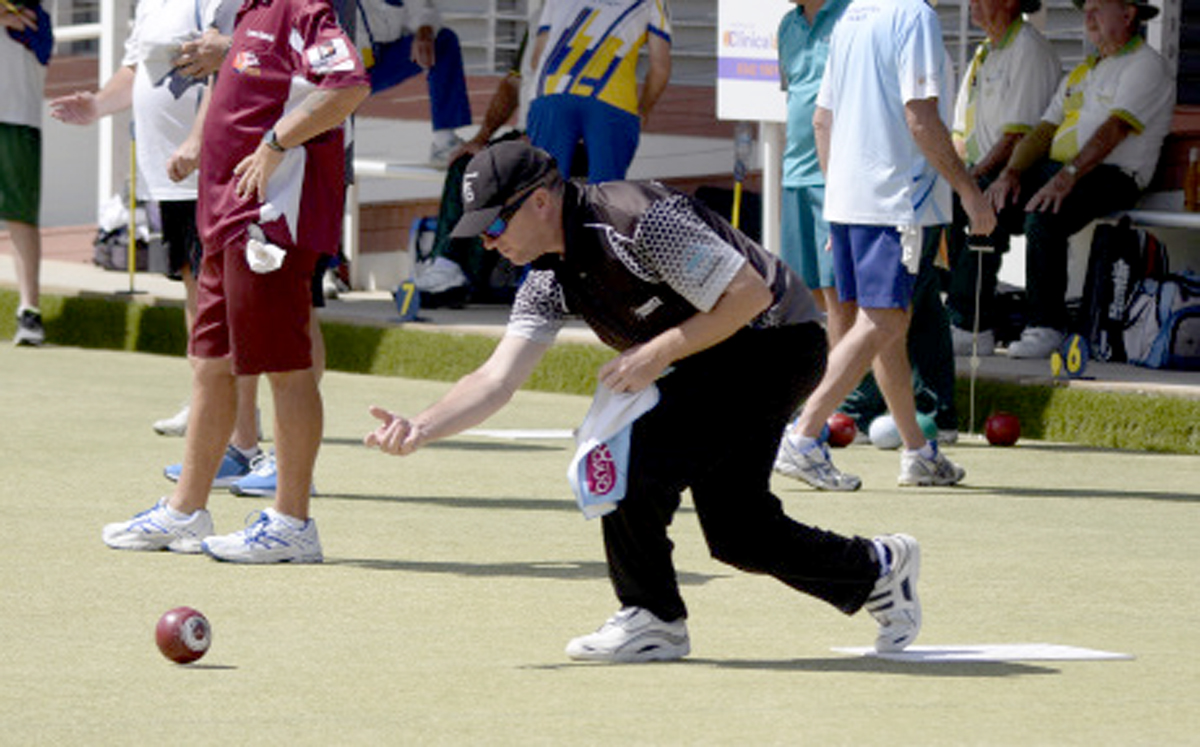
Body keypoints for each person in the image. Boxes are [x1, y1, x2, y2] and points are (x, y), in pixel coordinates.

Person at [364, 140, 924, 662]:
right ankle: (876, 569)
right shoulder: (547, 278)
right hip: (711, 358)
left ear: (538, 202)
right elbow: (497, 379)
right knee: (739, 532)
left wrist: (653, 355)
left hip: (773, 343)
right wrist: (422, 426)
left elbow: (749, 293)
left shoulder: (634, 221)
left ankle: (652, 616)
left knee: (629, 456)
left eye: (495, 226)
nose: (489, 243)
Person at [102, 0, 371, 563]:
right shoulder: (249, 12)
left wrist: (275, 144)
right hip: (226, 217)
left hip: (268, 221)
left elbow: (346, 85)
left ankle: (293, 521)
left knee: (285, 369)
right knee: (209, 365)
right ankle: (186, 511)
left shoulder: (302, 8)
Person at [774, 0, 997, 490]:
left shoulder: (851, 16)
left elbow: (821, 121)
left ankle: (917, 450)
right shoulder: (913, 15)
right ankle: (804, 434)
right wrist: (969, 190)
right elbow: (921, 117)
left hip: (850, 199)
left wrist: (836, 202)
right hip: (897, 200)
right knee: (886, 319)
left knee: (885, 327)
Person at [47, 0, 270, 480]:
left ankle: (244, 439)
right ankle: (209, 406)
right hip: (168, 178)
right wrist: (97, 105)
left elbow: (232, 66)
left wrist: (197, 138)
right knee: (198, 295)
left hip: (214, 170)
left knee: (229, 302)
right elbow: (136, 70)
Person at [981, 0, 1172, 359]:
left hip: (1115, 176)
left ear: (1129, 14)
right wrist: (1010, 173)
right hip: (1065, 170)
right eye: (1085, 8)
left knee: (1045, 214)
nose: (1087, 15)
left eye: (1098, 7)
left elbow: (1114, 130)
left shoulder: (1147, 65)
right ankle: (972, 321)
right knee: (986, 198)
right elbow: (1044, 130)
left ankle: (1046, 326)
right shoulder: (1086, 69)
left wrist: (1067, 175)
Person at [944, 0, 1061, 356]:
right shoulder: (985, 51)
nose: (972, 4)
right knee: (935, 202)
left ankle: (970, 322)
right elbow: (960, 132)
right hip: (984, 172)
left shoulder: (1029, 49)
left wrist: (968, 180)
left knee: (975, 203)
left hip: (1019, 173)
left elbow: (1016, 138)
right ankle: (950, 311)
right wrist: (951, 176)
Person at [526, 0, 672, 182]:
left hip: (551, 90)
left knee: (544, 187)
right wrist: (644, 110)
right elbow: (660, 68)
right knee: (606, 194)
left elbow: (536, 59)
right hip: (611, 97)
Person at [354, 0, 471, 166]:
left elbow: (423, 9)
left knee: (444, 40)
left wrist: (425, 30)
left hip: (384, 57)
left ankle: (444, 143)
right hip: (342, 64)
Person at [1, 0, 52, 346]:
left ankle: (29, 310)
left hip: (17, 114)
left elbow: (36, 27)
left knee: (20, 214)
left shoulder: (36, 10)